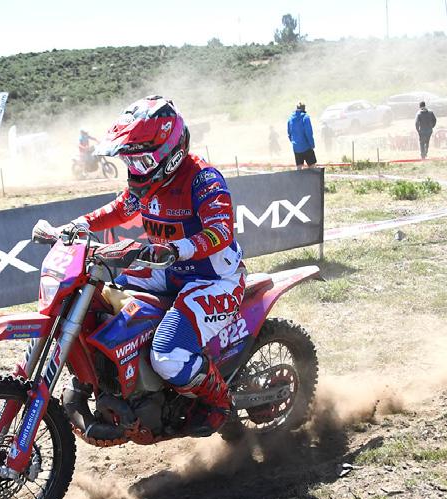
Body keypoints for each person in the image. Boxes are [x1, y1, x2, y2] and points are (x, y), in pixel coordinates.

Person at [34, 96, 244, 437]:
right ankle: (120, 384)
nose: (136, 168)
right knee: (102, 294)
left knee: (166, 354)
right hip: (167, 270)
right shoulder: (147, 183)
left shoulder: (203, 179)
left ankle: (221, 403)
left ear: (172, 152)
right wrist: (76, 226)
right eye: (130, 160)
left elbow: (221, 231)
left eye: (143, 160)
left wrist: (177, 249)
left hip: (212, 278)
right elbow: (120, 208)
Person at [287, 101, 316, 169]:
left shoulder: (290, 118)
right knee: (312, 167)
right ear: (304, 108)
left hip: (296, 148)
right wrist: (312, 144)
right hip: (306, 147)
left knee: (299, 168)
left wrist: (294, 143)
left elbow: (289, 134)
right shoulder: (305, 117)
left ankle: (299, 176)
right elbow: (309, 133)